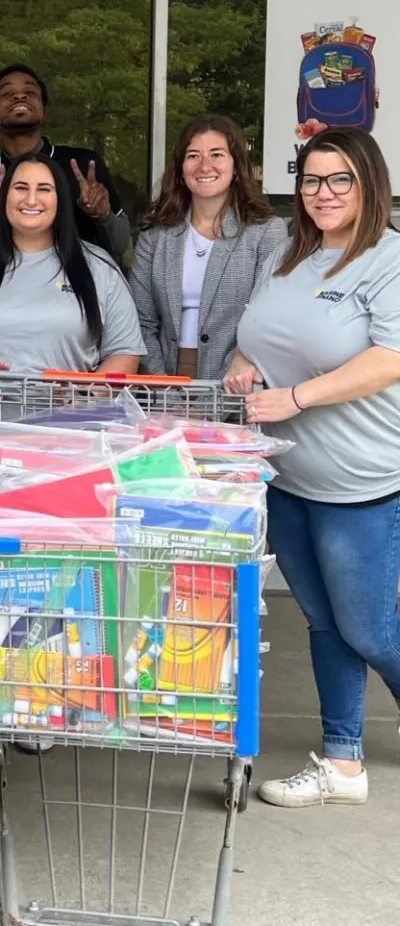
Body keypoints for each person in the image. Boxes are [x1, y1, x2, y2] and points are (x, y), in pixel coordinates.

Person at [0, 152, 145, 755]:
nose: (31, 198)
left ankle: (39, 694)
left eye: (44, 189)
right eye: (20, 187)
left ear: (62, 200)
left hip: (60, 449)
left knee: (49, 575)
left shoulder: (95, 266)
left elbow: (125, 352)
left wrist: (92, 390)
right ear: (2, 199)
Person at [226, 127, 400, 809]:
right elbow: (262, 341)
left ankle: (346, 756)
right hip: (289, 475)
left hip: (359, 481)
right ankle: (343, 763)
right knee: (324, 623)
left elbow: (390, 358)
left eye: (340, 181)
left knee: (369, 629)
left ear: (369, 185)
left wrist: (294, 397)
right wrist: (247, 369)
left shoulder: (388, 258)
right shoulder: (291, 256)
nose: (323, 194)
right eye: (311, 180)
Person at [129, 114, 288, 378]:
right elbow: (140, 321)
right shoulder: (154, 237)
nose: (205, 166)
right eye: (193, 156)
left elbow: (268, 318)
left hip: (239, 379)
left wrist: (228, 381)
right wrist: (162, 385)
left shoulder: (266, 231)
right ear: (180, 169)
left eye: (217, 154)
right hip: (163, 377)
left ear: (236, 166)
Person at [0, 64, 131, 263]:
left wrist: (103, 216)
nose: (19, 97)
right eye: (7, 93)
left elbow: (120, 245)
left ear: (45, 111)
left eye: (30, 92)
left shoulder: (84, 165)